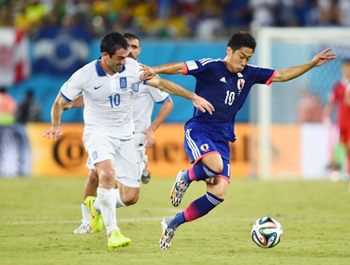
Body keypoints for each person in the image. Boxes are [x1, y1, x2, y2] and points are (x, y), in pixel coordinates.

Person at [142, 31, 336, 249]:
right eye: (241, 56)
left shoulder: (250, 74)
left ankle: (172, 223)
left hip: (223, 138)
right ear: (229, 51)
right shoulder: (210, 66)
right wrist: (154, 69)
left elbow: (281, 75)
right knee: (214, 165)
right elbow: (180, 67)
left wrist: (310, 64)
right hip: (200, 130)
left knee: (218, 193)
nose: (244, 62)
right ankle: (186, 176)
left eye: (248, 58)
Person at [43, 32, 214, 251]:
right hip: (98, 133)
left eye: (128, 55)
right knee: (105, 174)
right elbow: (59, 102)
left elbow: (162, 84)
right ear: (105, 55)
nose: (126, 61)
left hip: (128, 136)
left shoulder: (133, 69)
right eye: (120, 58)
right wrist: (56, 125)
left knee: (131, 197)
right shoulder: (84, 75)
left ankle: (95, 205)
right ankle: (113, 232)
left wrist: (193, 97)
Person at [72, 32, 174, 234]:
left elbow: (167, 102)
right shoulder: (112, 72)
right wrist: (70, 104)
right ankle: (87, 221)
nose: (131, 51)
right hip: (107, 134)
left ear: (140, 50)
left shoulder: (144, 74)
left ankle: (101, 206)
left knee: (128, 195)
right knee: (96, 176)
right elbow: (95, 95)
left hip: (134, 138)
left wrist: (151, 130)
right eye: (128, 47)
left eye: (135, 47)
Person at [324, 58, 350, 180]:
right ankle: (338, 170)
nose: (347, 70)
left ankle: (347, 171)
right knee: (342, 145)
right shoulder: (338, 86)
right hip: (342, 122)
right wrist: (326, 117)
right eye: (345, 67)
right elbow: (331, 103)